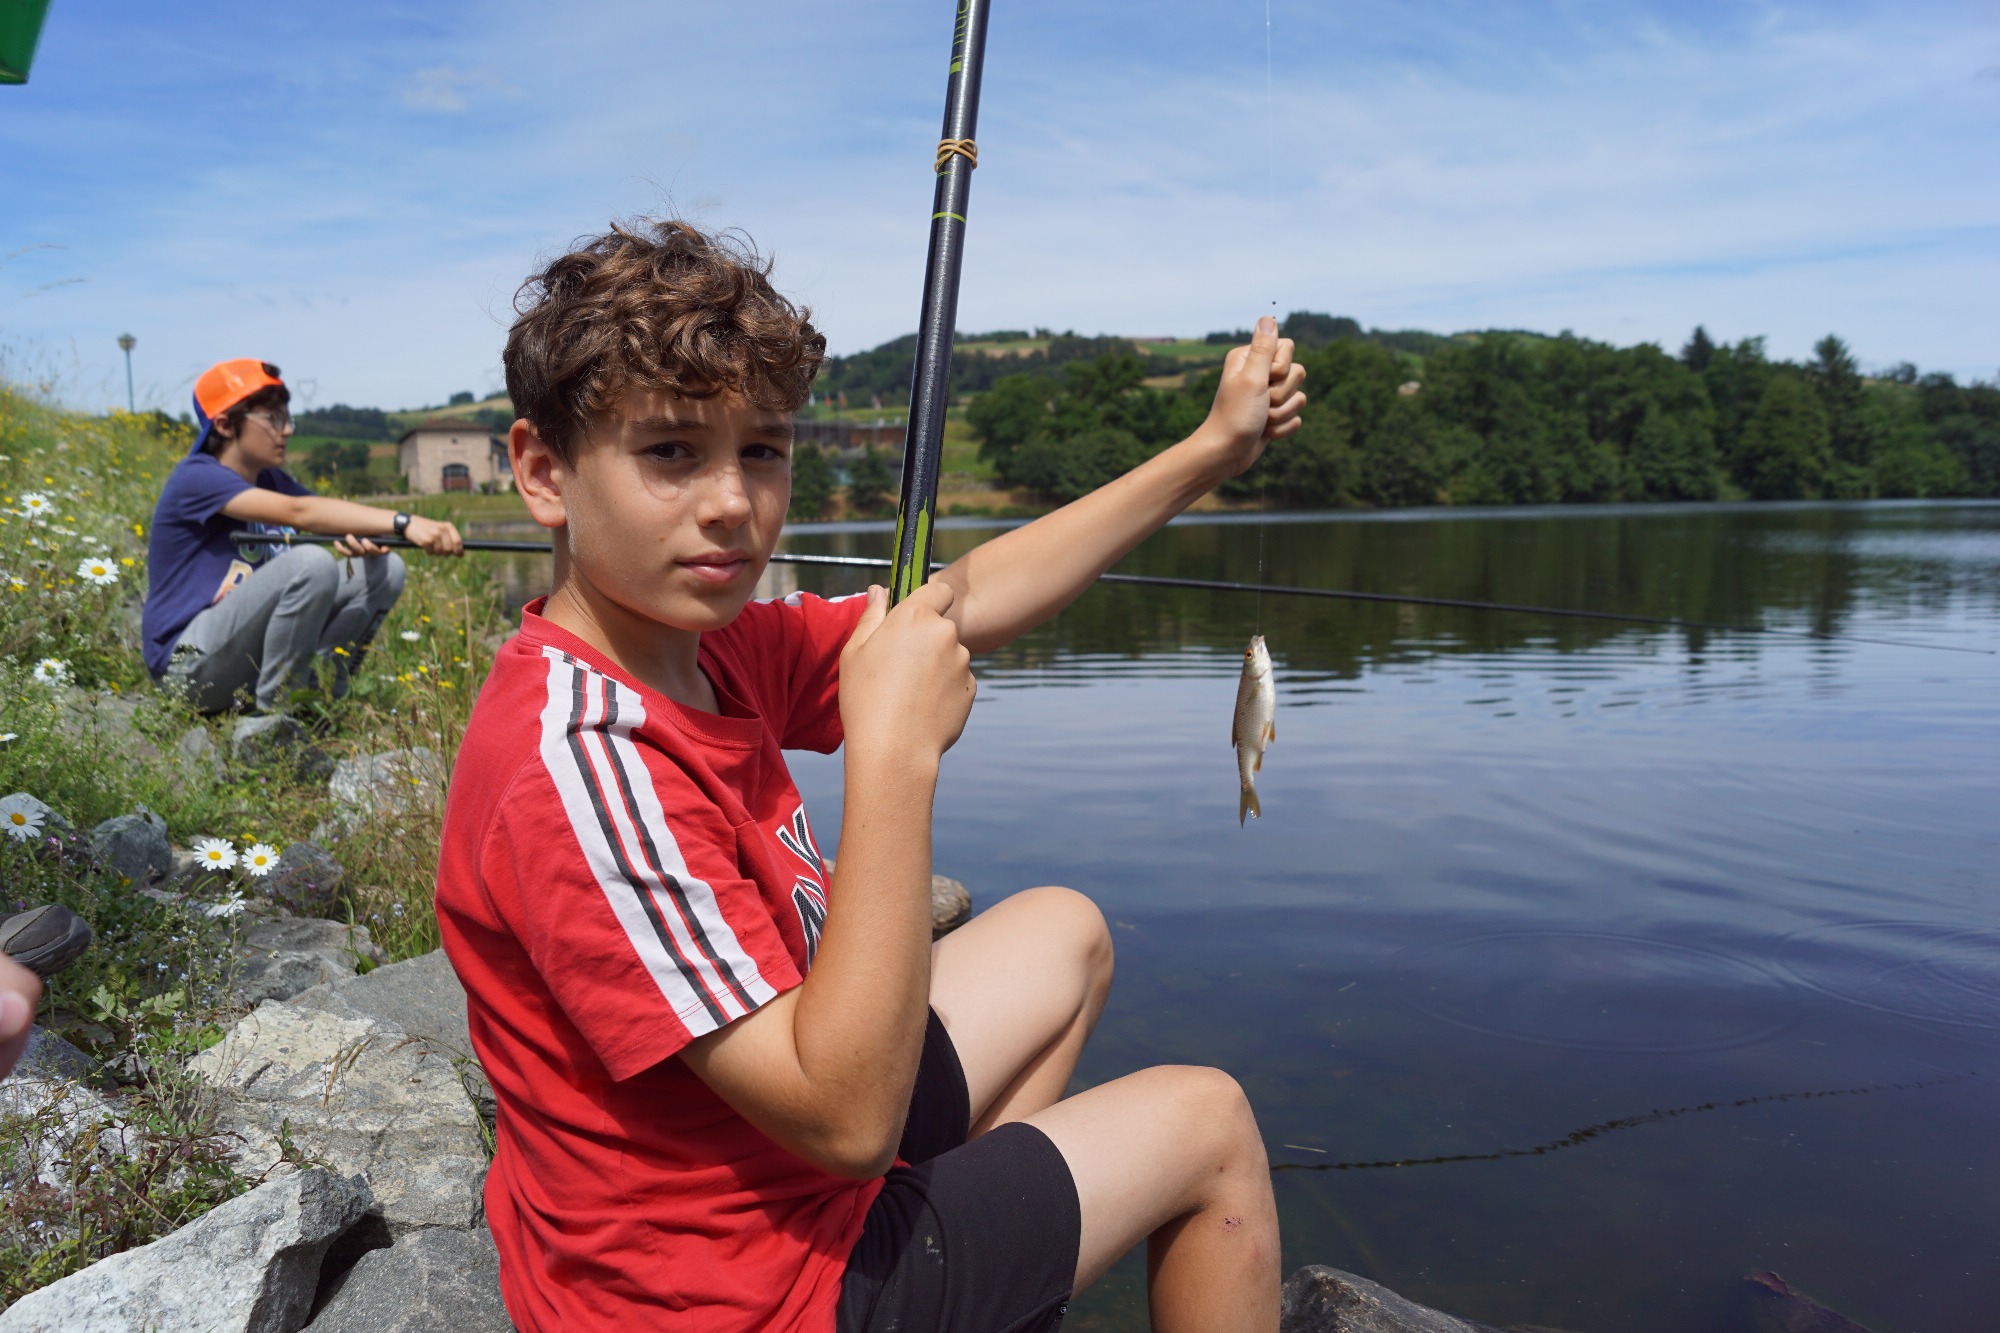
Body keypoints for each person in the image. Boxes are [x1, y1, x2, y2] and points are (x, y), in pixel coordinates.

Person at [435, 219, 1307, 1333]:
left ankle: (969, 1281)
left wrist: (1206, 453)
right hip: (736, 1295)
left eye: (760, 448)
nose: (731, 503)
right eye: (670, 453)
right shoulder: (581, 760)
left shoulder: (704, 642)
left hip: (776, 1179)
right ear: (543, 472)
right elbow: (845, 1123)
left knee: (1062, 932)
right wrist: (897, 760)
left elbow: (960, 602)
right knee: (1210, 1122)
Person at [140, 359, 465, 714]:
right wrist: (405, 521)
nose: (287, 430)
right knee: (311, 563)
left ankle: (320, 697)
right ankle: (275, 718)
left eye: (287, 418)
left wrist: (364, 535)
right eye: (273, 419)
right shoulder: (196, 477)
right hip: (187, 671)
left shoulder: (270, 480)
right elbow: (301, 513)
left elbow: (325, 514)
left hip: (241, 663)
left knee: (387, 569)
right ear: (224, 424)